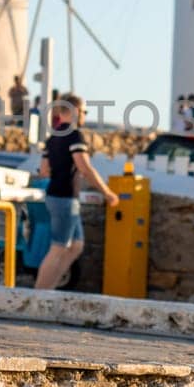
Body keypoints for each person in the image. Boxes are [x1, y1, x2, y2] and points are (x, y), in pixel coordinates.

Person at [35, 94, 120, 290]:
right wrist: (107, 192)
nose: (84, 115)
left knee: (76, 246)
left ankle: (48, 290)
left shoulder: (53, 137)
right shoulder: (74, 135)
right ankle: (38, 295)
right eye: (84, 111)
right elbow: (85, 168)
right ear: (74, 111)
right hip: (64, 198)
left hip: (55, 196)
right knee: (58, 248)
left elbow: (44, 170)